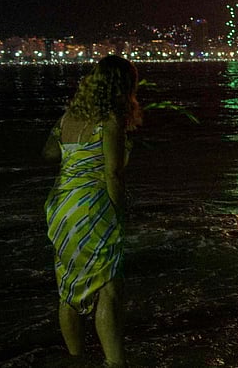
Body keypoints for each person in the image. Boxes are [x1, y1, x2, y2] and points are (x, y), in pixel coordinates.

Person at [41, 55, 142, 367]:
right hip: (92, 206)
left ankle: (75, 359)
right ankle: (115, 362)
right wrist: (119, 212)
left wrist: (74, 155)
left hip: (60, 206)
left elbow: (47, 154)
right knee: (108, 285)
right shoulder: (110, 121)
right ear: (123, 86)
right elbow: (113, 174)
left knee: (68, 285)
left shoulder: (68, 117)